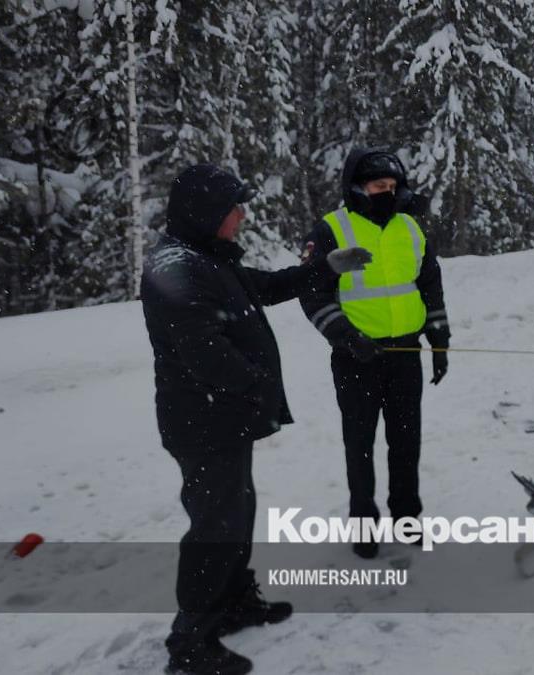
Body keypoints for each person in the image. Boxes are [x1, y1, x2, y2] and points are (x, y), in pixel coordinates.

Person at [141, 164, 334, 675]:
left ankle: (235, 602)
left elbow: (263, 287)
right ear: (208, 213)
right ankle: (190, 640)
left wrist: (326, 267)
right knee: (214, 527)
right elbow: (205, 355)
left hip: (224, 421)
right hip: (202, 424)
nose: (243, 216)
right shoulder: (177, 267)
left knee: (236, 514)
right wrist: (258, 382)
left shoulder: (207, 257)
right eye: (234, 208)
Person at [299, 147, 450, 559]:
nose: (386, 192)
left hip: (405, 353)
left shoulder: (410, 228)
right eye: (377, 186)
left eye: (392, 186)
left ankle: (407, 516)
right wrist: (347, 336)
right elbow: (312, 294)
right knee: (360, 444)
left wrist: (439, 339)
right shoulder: (331, 230)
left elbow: (429, 283)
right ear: (356, 187)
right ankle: (364, 521)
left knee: (406, 442)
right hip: (356, 359)